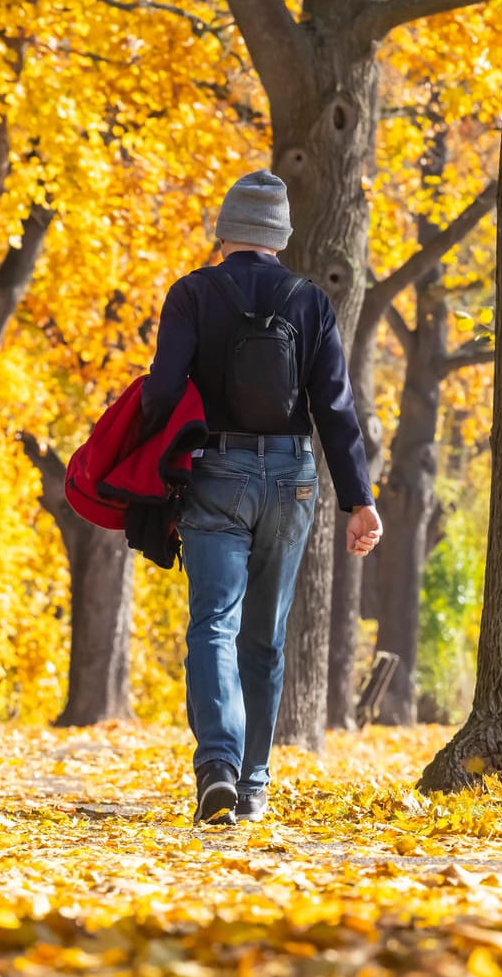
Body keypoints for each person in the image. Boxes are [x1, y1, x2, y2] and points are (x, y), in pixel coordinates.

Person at [141, 170, 383, 825]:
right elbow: (334, 405)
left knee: (212, 625)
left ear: (225, 232)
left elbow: (162, 392)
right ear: (279, 236)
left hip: (215, 474)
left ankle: (215, 766)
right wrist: (358, 499)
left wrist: (148, 460)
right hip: (290, 479)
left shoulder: (192, 293)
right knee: (265, 640)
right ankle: (252, 784)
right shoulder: (309, 301)